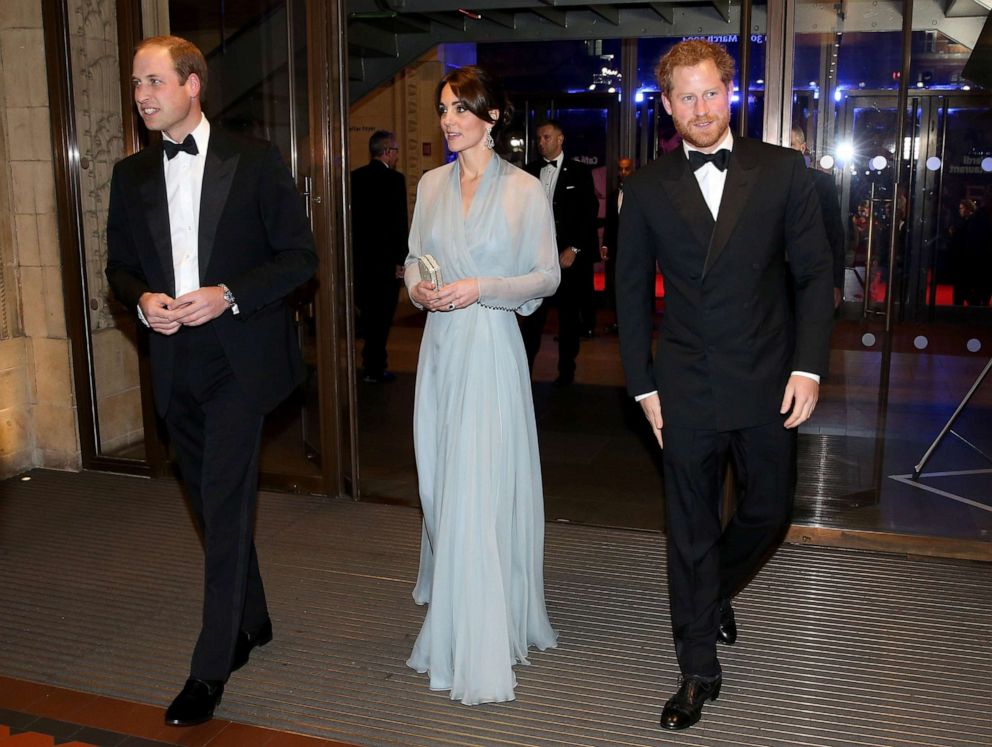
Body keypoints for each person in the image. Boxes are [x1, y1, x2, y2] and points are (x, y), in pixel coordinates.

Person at [616, 40, 833, 731]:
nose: (701, 108)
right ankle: (697, 668)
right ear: (668, 106)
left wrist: (808, 365)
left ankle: (711, 594)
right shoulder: (647, 186)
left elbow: (813, 276)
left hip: (769, 377)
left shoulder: (781, 170)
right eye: (686, 97)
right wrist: (643, 387)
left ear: (730, 92)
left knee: (769, 512)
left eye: (711, 92)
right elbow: (627, 296)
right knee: (688, 529)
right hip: (685, 384)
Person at [105, 35, 317, 726]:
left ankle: (209, 667)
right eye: (137, 83)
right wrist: (142, 301)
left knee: (225, 507)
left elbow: (298, 258)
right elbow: (118, 268)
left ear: (192, 84)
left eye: (154, 81)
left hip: (239, 361)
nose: (142, 94)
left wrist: (227, 292)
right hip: (173, 363)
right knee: (209, 503)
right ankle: (252, 616)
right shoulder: (129, 175)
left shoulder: (252, 161)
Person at [403, 65, 560, 705]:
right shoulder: (430, 184)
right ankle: (459, 593)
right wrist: (417, 288)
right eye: (443, 108)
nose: (448, 120)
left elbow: (546, 277)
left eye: (461, 109)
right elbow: (414, 257)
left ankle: (479, 626)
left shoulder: (526, 191)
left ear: (491, 118)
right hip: (440, 349)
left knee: (479, 484)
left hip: (492, 348)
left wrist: (482, 289)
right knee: (440, 484)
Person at [520, 119, 599, 385]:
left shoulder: (579, 172)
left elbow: (589, 213)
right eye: (539, 138)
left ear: (560, 139)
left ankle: (567, 372)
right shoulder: (529, 171)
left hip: (568, 258)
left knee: (568, 318)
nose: (541, 142)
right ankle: (523, 373)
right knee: (532, 318)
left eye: (546, 137)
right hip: (536, 259)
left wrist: (574, 248)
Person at [351, 130, 408, 382]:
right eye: (395, 150)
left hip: (361, 261)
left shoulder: (354, 178)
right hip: (385, 263)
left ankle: (369, 364)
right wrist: (401, 259)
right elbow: (398, 222)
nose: (397, 156)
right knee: (383, 317)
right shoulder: (395, 180)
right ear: (387, 151)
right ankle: (374, 367)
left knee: (368, 311)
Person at [790, 127, 846, 307]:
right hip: (775, 281)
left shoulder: (823, 184)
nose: (785, 150)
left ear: (802, 147)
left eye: (791, 144)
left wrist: (836, 282)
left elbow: (835, 234)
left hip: (813, 276)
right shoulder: (766, 184)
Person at [601, 157, 635, 329]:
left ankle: (633, 323)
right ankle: (619, 322)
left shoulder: (643, 193)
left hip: (636, 251)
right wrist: (605, 245)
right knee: (616, 286)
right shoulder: (615, 194)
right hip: (616, 249)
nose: (623, 173)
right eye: (621, 169)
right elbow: (610, 222)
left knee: (634, 287)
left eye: (626, 169)